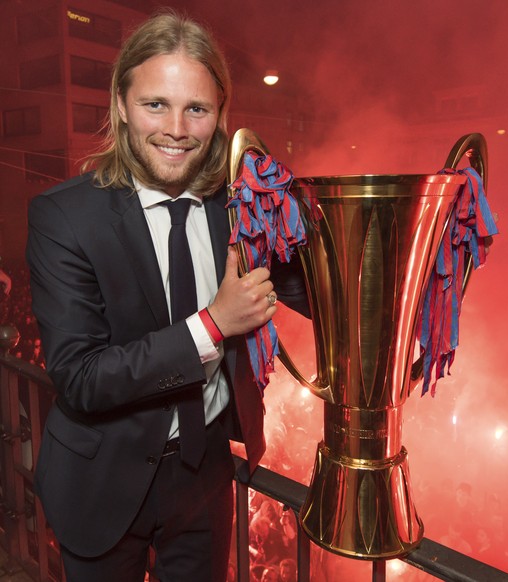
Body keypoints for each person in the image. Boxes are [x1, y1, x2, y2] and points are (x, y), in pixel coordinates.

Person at [26, 11, 308, 582]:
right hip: (100, 479)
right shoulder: (64, 216)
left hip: (203, 478)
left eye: (197, 109)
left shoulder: (240, 204)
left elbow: (320, 291)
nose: (177, 128)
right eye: (156, 104)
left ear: (220, 115)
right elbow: (81, 376)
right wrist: (214, 324)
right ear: (122, 106)